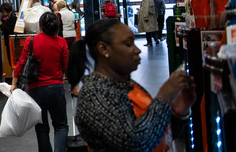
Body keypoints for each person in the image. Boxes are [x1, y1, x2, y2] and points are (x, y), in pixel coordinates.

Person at [67, 19, 196, 152]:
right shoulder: (94, 94)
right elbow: (134, 144)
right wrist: (163, 98)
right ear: (104, 48)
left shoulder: (125, 84)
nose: (138, 50)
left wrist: (179, 113)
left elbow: (156, 133)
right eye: (129, 44)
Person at [11, 12, 69, 152]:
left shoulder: (31, 41)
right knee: (61, 126)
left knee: (41, 128)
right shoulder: (61, 42)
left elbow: (21, 62)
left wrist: (14, 83)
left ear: (40, 26)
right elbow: (66, 66)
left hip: (35, 89)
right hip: (56, 88)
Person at [0, 2, 18, 68]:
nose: (2, 13)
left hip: (11, 42)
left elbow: (11, 30)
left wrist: (1, 25)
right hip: (7, 42)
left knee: (12, 61)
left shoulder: (13, 18)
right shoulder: (5, 18)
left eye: (3, 12)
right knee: (10, 61)